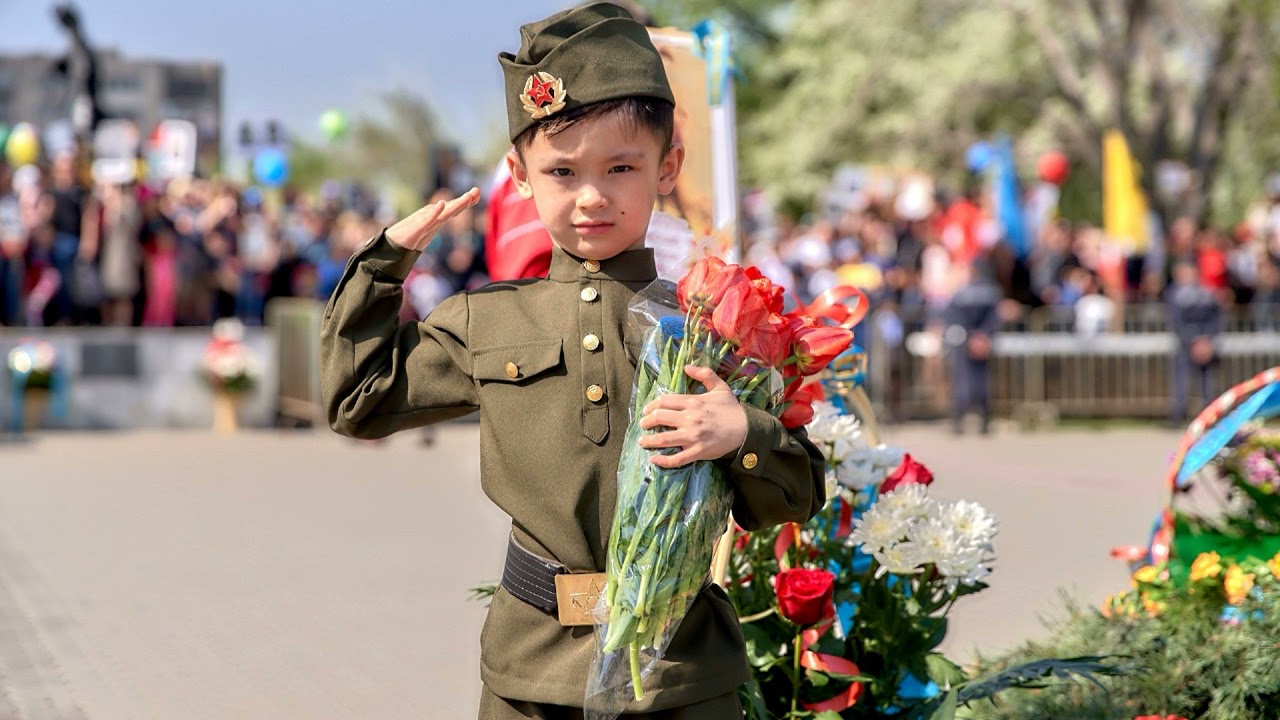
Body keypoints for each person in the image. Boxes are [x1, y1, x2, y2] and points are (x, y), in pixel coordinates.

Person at [319, 5, 825, 719]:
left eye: (622, 167)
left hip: (681, 675)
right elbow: (355, 401)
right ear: (519, 176)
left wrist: (741, 432)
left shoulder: (712, 326)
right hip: (532, 675)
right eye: (561, 170)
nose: (592, 196)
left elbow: (799, 494)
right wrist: (383, 264)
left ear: (667, 167)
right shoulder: (486, 319)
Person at [944, 260, 1001, 434]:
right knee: (982, 380)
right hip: (982, 341)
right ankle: (984, 419)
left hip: (965, 341)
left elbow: (954, 317)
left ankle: (959, 419)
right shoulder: (993, 292)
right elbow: (995, 317)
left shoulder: (962, 292)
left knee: (963, 380)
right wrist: (984, 335)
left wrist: (970, 337)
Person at [1167, 259, 1222, 427]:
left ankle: (1210, 417)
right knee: (1181, 381)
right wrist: (1193, 340)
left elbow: (1216, 318)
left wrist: (1206, 340)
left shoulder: (1206, 293)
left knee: (1207, 382)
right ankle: (1178, 415)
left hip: (1204, 343)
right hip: (1185, 343)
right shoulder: (1174, 294)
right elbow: (1175, 321)